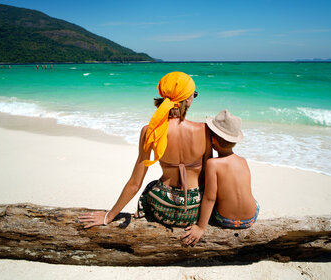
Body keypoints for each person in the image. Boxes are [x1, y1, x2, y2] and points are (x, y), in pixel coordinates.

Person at [78, 71, 212, 228]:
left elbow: (135, 183)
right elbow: (210, 178)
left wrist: (109, 216)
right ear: (188, 100)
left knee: (151, 186)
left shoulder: (150, 130)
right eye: (194, 94)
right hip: (194, 212)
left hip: (163, 209)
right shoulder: (205, 130)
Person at [181, 109, 259, 245]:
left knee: (212, 199)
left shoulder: (213, 164)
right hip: (250, 219)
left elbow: (210, 198)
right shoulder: (243, 161)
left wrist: (200, 227)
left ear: (212, 139)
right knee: (252, 200)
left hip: (226, 220)